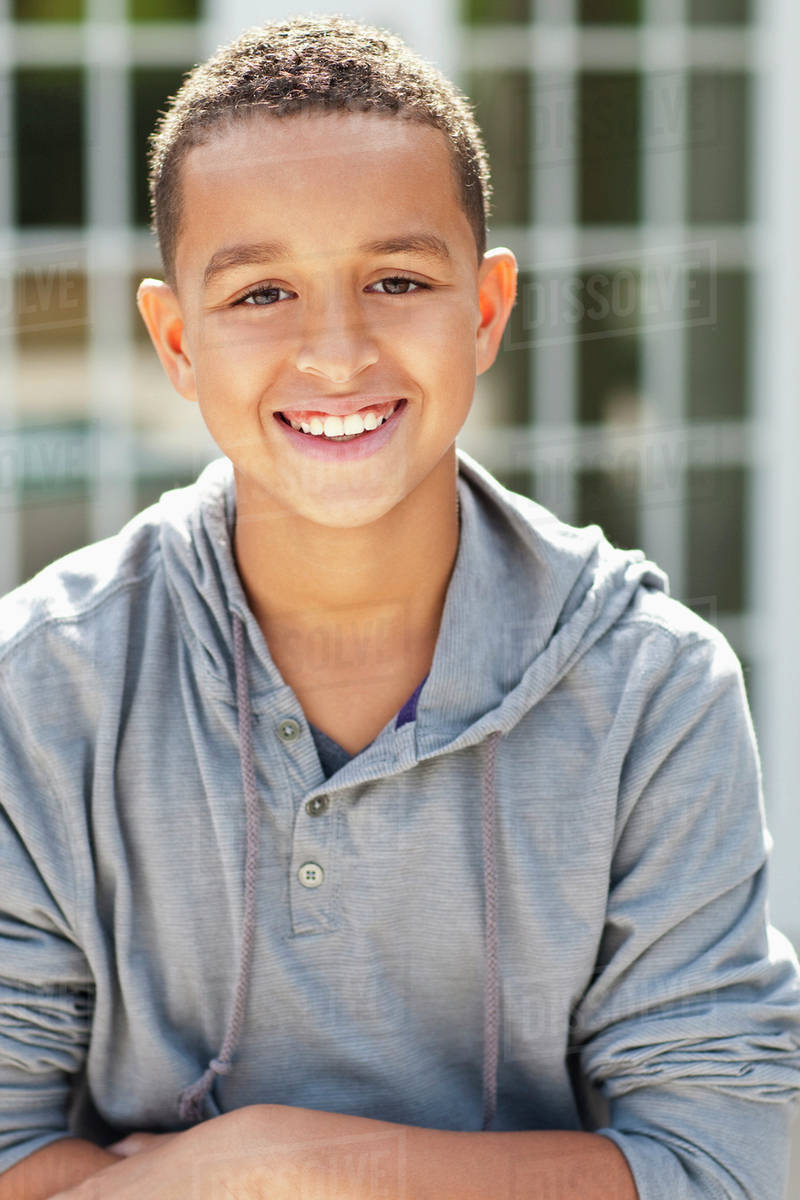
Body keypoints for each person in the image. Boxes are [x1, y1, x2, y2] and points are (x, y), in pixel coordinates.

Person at [1, 13, 799, 1199]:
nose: (336, 354)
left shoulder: (650, 687)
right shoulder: (40, 688)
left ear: (484, 310)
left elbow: (725, 1163)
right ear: (175, 340)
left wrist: (285, 1164)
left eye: (396, 281)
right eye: (261, 292)